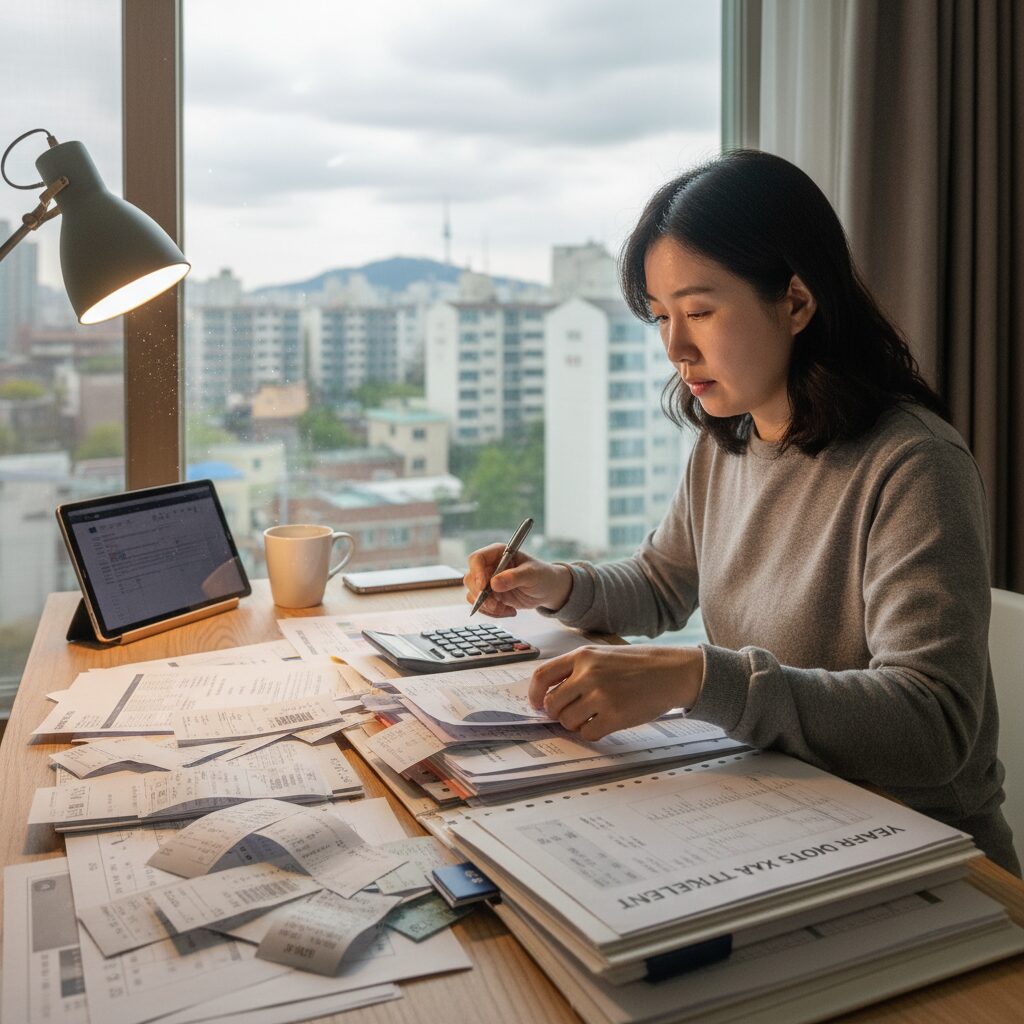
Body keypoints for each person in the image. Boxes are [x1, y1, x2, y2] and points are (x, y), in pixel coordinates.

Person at [463, 149, 1020, 876]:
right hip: (784, 821)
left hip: (925, 858)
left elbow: (933, 725)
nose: (675, 347)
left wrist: (696, 678)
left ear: (795, 301)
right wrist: (555, 585)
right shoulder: (729, 440)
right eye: (661, 317)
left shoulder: (913, 464)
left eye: (699, 310)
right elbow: (664, 585)